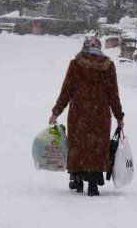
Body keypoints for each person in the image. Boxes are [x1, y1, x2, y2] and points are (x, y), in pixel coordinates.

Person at [49, 36, 124, 197]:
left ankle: (77, 179)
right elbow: (113, 94)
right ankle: (93, 184)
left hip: (79, 114)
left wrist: (56, 112)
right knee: (96, 147)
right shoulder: (108, 66)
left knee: (79, 147)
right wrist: (119, 116)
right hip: (100, 115)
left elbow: (66, 90)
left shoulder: (76, 65)